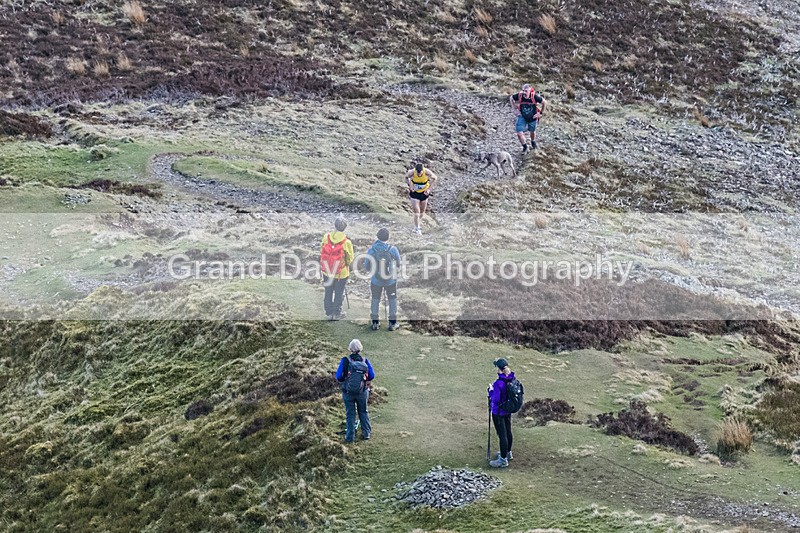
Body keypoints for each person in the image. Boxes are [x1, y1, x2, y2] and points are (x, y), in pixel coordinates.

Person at [335, 339, 375, 443]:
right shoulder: (364, 361)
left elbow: (338, 376)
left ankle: (350, 438)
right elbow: (372, 375)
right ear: (360, 348)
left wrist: (346, 381)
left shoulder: (345, 360)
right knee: (363, 411)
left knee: (350, 414)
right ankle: (366, 434)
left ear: (350, 348)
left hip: (348, 392)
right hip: (362, 392)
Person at [363, 228, 401, 331]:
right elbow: (398, 264)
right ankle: (392, 323)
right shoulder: (393, 249)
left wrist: (373, 271)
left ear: (377, 236)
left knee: (375, 299)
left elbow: (366, 265)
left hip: (376, 280)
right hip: (391, 280)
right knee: (392, 299)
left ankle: (375, 322)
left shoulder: (372, 250)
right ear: (388, 237)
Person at [320, 216, 354, 320]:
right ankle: (336, 313)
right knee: (339, 293)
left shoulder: (326, 237)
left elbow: (321, 250)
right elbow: (350, 259)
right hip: (341, 273)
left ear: (334, 225)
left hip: (327, 271)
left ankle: (328, 313)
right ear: (345, 227)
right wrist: (347, 265)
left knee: (328, 291)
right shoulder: (347, 242)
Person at [488, 358, 515, 467]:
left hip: (498, 412)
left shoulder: (499, 383)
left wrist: (491, 391)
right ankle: (508, 453)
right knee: (508, 431)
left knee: (502, 435)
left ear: (499, 369)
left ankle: (503, 460)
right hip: (507, 410)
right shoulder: (511, 379)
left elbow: (495, 399)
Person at [509, 83, 547, 153]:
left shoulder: (534, 97)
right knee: (519, 133)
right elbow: (511, 98)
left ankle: (533, 142)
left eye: (526, 91)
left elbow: (544, 102)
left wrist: (540, 113)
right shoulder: (520, 95)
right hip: (522, 116)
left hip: (532, 117)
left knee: (532, 131)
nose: (524, 92)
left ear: (530, 91)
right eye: (523, 90)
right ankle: (525, 147)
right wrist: (514, 109)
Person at [405, 162, 438, 235]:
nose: (419, 174)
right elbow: (406, 178)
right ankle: (417, 229)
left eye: (420, 173)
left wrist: (429, 189)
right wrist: (410, 186)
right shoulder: (411, 172)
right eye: (418, 173)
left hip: (424, 193)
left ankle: (416, 223)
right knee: (417, 212)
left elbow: (435, 178)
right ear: (415, 170)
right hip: (415, 193)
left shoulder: (427, 172)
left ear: (422, 170)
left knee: (422, 213)